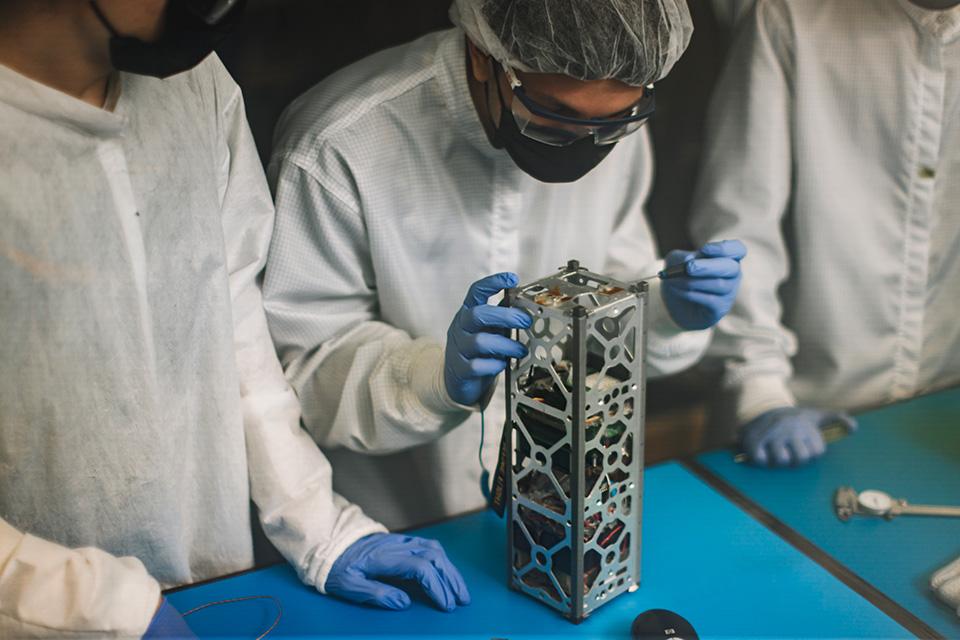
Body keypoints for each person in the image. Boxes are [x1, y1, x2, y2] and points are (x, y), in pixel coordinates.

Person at [0, 1, 469, 636]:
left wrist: (318, 524)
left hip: (211, 580)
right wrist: (93, 606)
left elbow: (234, 332)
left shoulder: (195, 86)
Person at [264, 0, 746, 530]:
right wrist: (431, 379)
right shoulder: (338, 144)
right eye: (556, 119)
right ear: (482, 56)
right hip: (398, 519)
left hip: (555, 503)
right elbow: (301, 367)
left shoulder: (612, 117)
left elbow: (611, 289)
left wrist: (663, 313)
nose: (586, 143)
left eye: (610, 124)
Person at [690, 0, 960, 467]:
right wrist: (761, 393)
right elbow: (739, 228)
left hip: (941, 419)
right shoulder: (789, 16)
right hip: (798, 413)